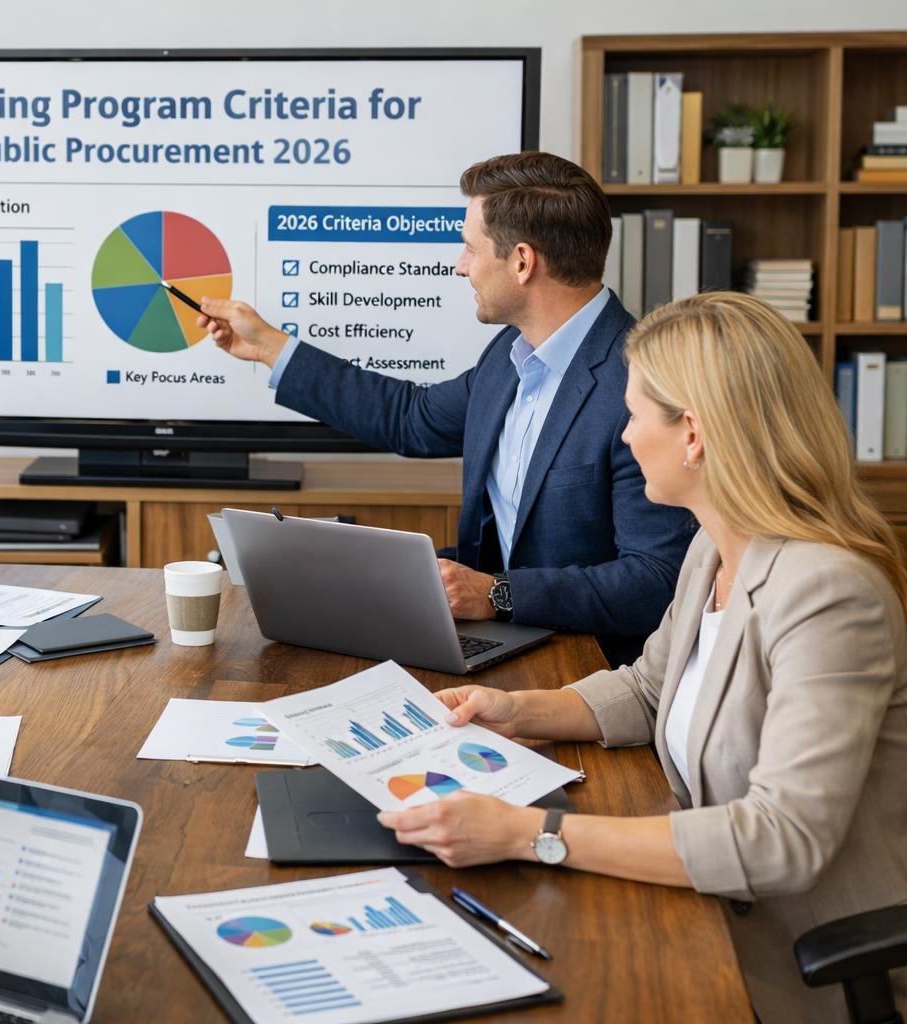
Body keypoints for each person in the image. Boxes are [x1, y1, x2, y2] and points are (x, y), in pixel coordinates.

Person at [376, 292, 907, 1023]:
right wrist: (514, 711)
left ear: (692, 434)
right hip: (698, 915)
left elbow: (781, 840)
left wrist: (528, 835)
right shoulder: (712, 546)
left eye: (632, 416)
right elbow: (651, 688)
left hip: (796, 973)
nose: (623, 437)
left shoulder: (828, 593)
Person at [200, 152, 692, 664]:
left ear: (522, 261)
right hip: (495, 645)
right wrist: (269, 346)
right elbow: (411, 419)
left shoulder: (643, 383)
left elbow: (656, 580)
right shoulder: (508, 357)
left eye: (470, 248)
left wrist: (496, 593)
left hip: (587, 666)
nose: (461, 266)